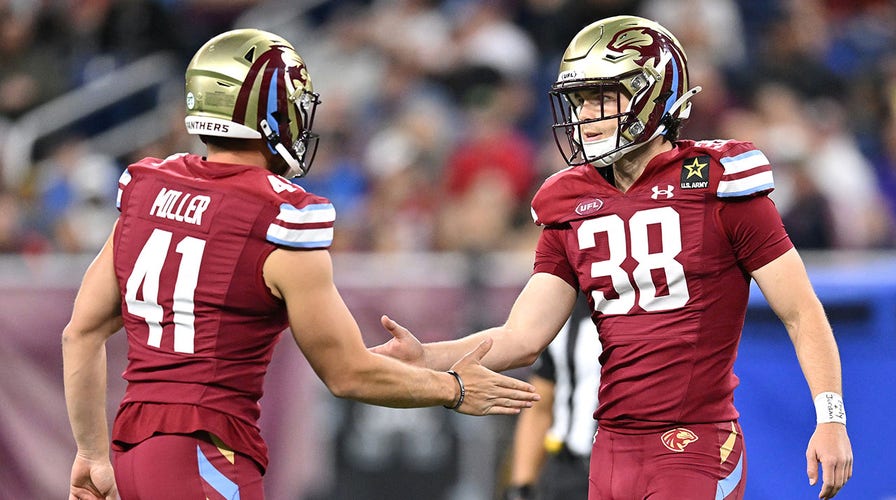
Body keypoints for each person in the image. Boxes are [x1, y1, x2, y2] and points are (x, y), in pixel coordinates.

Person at [374, 15, 853, 500]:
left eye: (602, 98)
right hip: (612, 448)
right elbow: (522, 337)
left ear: (652, 96)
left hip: (695, 441)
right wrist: (427, 357)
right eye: (581, 101)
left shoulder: (717, 182)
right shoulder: (568, 200)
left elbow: (800, 311)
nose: (586, 115)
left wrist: (830, 417)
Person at [62, 28, 539, 500]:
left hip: (131, 453)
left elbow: (80, 332)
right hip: (204, 455)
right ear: (268, 113)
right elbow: (347, 373)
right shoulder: (279, 216)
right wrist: (452, 388)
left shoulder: (148, 187)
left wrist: (92, 454)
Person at [503, 295, 601, 500]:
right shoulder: (563, 316)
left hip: (638, 466)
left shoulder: (658, 311)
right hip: (570, 471)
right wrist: (521, 486)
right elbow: (540, 405)